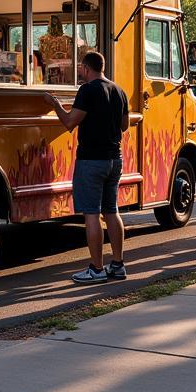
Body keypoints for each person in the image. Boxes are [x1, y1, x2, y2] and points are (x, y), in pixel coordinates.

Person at [45, 51, 130, 283]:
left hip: (92, 159)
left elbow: (70, 122)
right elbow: (124, 125)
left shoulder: (87, 90)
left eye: (80, 68)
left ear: (85, 67)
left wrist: (54, 104)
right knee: (111, 211)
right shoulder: (118, 90)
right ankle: (118, 264)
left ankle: (96, 268)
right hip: (115, 159)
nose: (80, 72)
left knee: (92, 214)